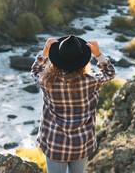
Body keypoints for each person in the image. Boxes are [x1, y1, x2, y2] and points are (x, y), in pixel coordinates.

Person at [31, 34, 116, 173]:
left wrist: (44, 52)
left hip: (55, 144)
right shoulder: (91, 82)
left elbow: (36, 70)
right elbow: (110, 72)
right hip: (81, 144)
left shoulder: (47, 82)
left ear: (57, 59)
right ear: (82, 61)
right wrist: (98, 54)